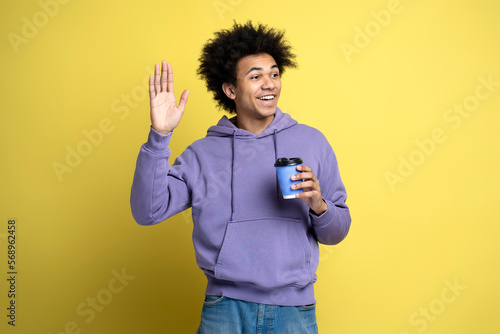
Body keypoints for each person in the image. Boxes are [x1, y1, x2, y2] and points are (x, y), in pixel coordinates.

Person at [130, 21, 351, 333]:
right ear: (230, 89)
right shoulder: (202, 154)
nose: (270, 84)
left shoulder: (312, 142)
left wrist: (319, 205)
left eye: (274, 74)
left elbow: (337, 232)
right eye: (256, 76)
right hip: (225, 308)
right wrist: (159, 135)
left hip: (294, 311)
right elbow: (147, 211)